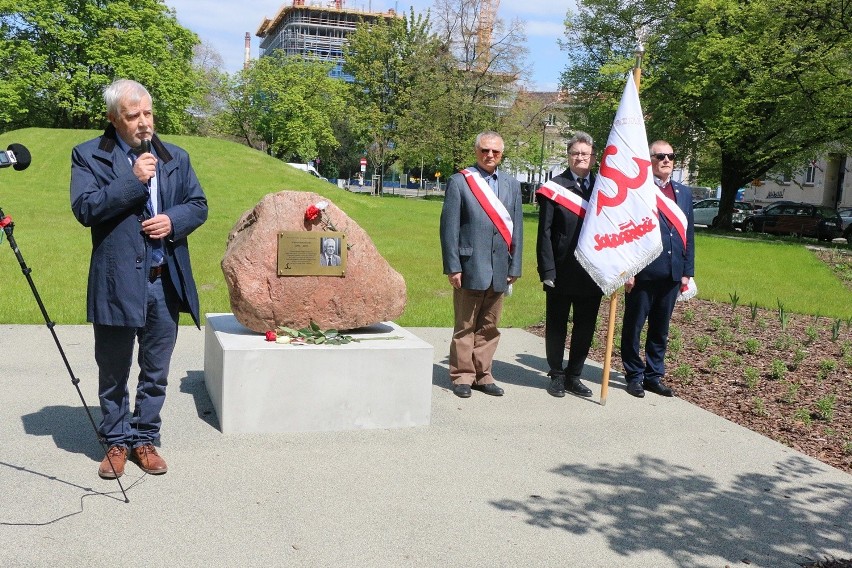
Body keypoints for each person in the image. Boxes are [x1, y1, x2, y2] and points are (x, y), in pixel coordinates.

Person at [70, 79, 208, 478]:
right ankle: (116, 441)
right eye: (133, 116)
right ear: (115, 119)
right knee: (113, 370)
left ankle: (144, 438)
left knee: (155, 370)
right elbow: (86, 209)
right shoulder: (89, 156)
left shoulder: (174, 156)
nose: (144, 123)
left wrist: (173, 220)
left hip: (164, 281)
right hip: (117, 283)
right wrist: (133, 180)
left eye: (148, 113)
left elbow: (198, 205)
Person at [440, 131, 523, 398]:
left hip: (500, 266)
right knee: (465, 325)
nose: (490, 155)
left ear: (501, 154)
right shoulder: (460, 182)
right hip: (469, 264)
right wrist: (453, 266)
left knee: (489, 326)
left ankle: (483, 374)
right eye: (485, 150)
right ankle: (462, 376)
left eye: (495, 152)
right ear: (476, 151)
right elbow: (449, 228)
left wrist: (515, 266)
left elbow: (518, 228)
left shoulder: (512, 184)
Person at [620, 140, 694, 398]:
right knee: (634, 327)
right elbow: (626, 231)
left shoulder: (683, 193)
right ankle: (634, 375)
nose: (666, 160)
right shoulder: (637, 190)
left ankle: (653, 375)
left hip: (672, 272)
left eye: (671, 156)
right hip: (643, 272)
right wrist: (627, 269)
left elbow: (689, 234)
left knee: (660, 329)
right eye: (660, 156)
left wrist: (688, 270)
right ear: (649, 159)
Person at [535, 132, 603, 398]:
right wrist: (547, 270)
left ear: (594, 158)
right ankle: (556, 374)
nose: (580, 158)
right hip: (561, 271)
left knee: (585, 327)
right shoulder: (556, 187)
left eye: (585, 154)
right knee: (556, 325)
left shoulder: (603, 188)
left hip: (592, 273)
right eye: (575, 153)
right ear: (568, 156)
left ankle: (575, 375)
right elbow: (545, 234)